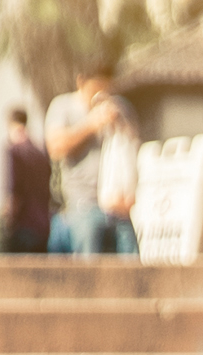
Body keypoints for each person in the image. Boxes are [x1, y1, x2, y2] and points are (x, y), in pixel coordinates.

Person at [45, 69, 143, 258]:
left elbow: (133, 147)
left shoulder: (120, 107)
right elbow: (55, 147)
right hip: (84, 204)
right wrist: (91, 124)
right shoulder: (64, 106)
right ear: (81, 82)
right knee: (90, 270)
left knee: (133, 267)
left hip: (118, 204)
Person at [0, 102, 58, 256]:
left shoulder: (14, 151)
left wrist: (8, 219)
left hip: (24, 226)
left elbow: (14, 190)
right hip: (43, 225)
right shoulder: (39, 152)